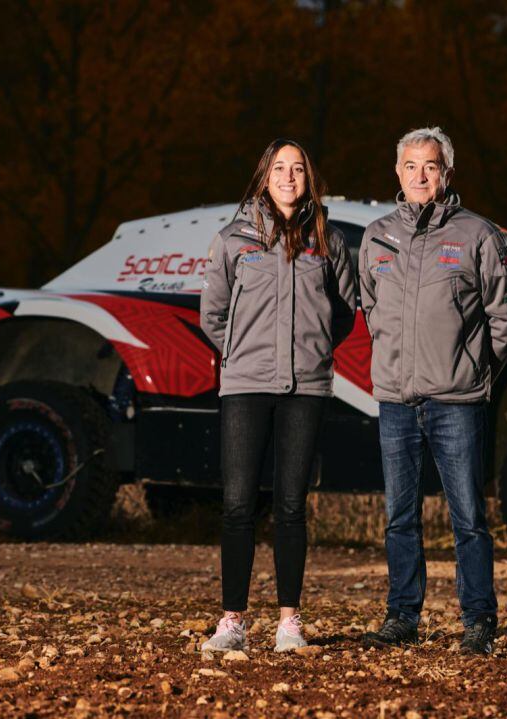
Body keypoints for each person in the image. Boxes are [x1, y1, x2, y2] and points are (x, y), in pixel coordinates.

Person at [358, 127, 507, 655]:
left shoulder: (476, 234)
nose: (420, 176)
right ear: (398, 173)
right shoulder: (377, 236)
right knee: (399, 517)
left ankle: (479, 620)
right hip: (395, 401)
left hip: (457, 401)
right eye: (411, 166)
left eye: (430, 166)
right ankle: (402, 616)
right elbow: (369, 305)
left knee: (468, 518)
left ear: (446, 174)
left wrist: (477, 367)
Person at [199, 139, 357, 653]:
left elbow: (345, 313)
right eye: (279, 169)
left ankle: (289, 622)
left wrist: (311, 349)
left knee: (291, 506)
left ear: (309, 178)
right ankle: (232, 621)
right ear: (264, 176)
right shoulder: (233, 239)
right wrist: (243, 355)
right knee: (238, 505)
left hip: (306, 389)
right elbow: (212, 315)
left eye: (298, 169)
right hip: (244, 387)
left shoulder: (327, 240)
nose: (289, 177)